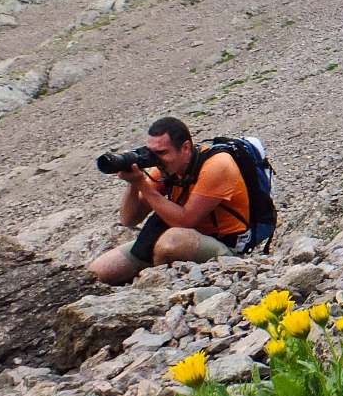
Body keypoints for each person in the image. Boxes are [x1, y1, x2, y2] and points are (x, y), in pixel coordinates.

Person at [89, 117, 251, 285]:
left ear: (185, 148)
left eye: (162, 153)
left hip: (224, 245)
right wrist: (133, 183)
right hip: (178, 237)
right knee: (96, 273)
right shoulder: (166, 169)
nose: (156, 160)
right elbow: (129, 219)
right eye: (151, 153)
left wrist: (142, 184)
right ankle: (148, 272)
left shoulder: (217, 166)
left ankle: (156, 286)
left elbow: (186, 221)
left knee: (169, 244)